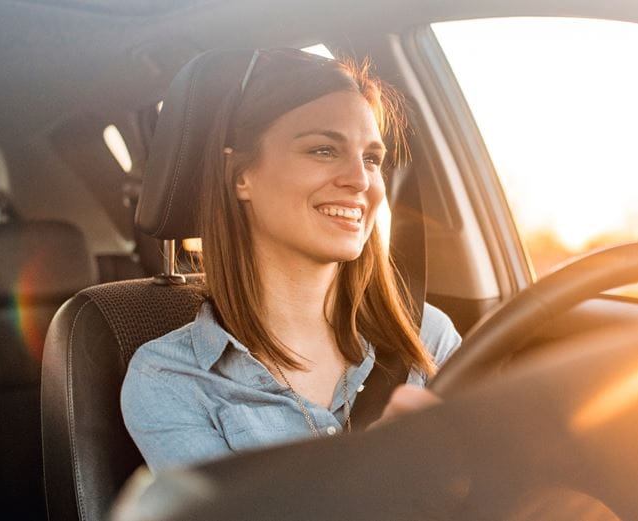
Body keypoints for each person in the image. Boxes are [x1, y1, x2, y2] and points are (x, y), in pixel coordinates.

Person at [121, 49, 461, 473]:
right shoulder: (171, 378)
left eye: (372, 159)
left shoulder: (426, 336)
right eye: (323, 150)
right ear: (241, 175)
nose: (360, 180)